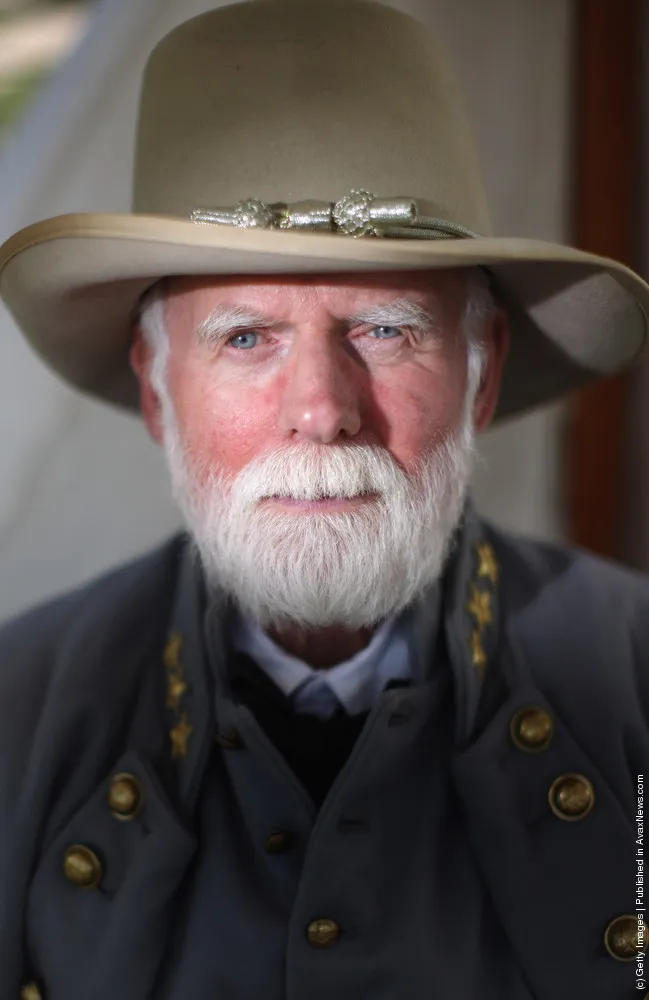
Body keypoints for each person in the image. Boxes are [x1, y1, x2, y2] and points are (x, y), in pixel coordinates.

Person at [0, 1, 648, 998]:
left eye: (384, 329)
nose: (321, 410)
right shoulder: (16, 712)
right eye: (246, 337)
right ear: (156, 388)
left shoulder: (633, 676)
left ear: (479, 376)